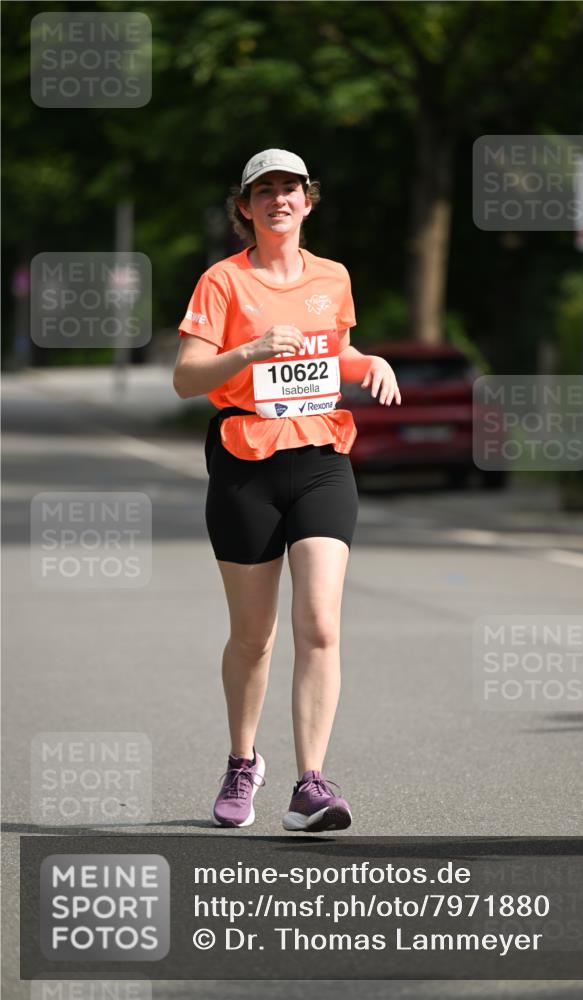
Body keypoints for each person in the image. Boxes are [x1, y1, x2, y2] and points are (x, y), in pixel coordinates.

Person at [173, 149, 400, 832]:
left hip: (322, 456)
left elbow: (336, 354)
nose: (278, 199)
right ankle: (243, 762)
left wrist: (371, 360)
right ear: (244, 207)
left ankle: (311, 783)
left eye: (290, 188)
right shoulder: (222, 281)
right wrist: (247, 352)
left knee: (321, 626)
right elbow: (187, 379)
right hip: (246, 461)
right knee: (254, 637)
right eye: (263, 190)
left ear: (309, 200)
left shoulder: (332, 276)